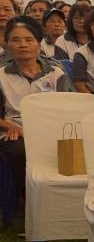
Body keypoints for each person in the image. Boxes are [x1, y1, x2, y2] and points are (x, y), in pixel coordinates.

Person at [1, 17, 69, 184]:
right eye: (16, 40)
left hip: (52, 129)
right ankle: (25, 195)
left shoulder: (56, 74)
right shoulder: (1, 76)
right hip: (15, 131)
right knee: (20, 150)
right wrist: (10, 126)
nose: (23, 45)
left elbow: (68, 109)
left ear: (38, 45)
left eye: (29, 40)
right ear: (7, 45)